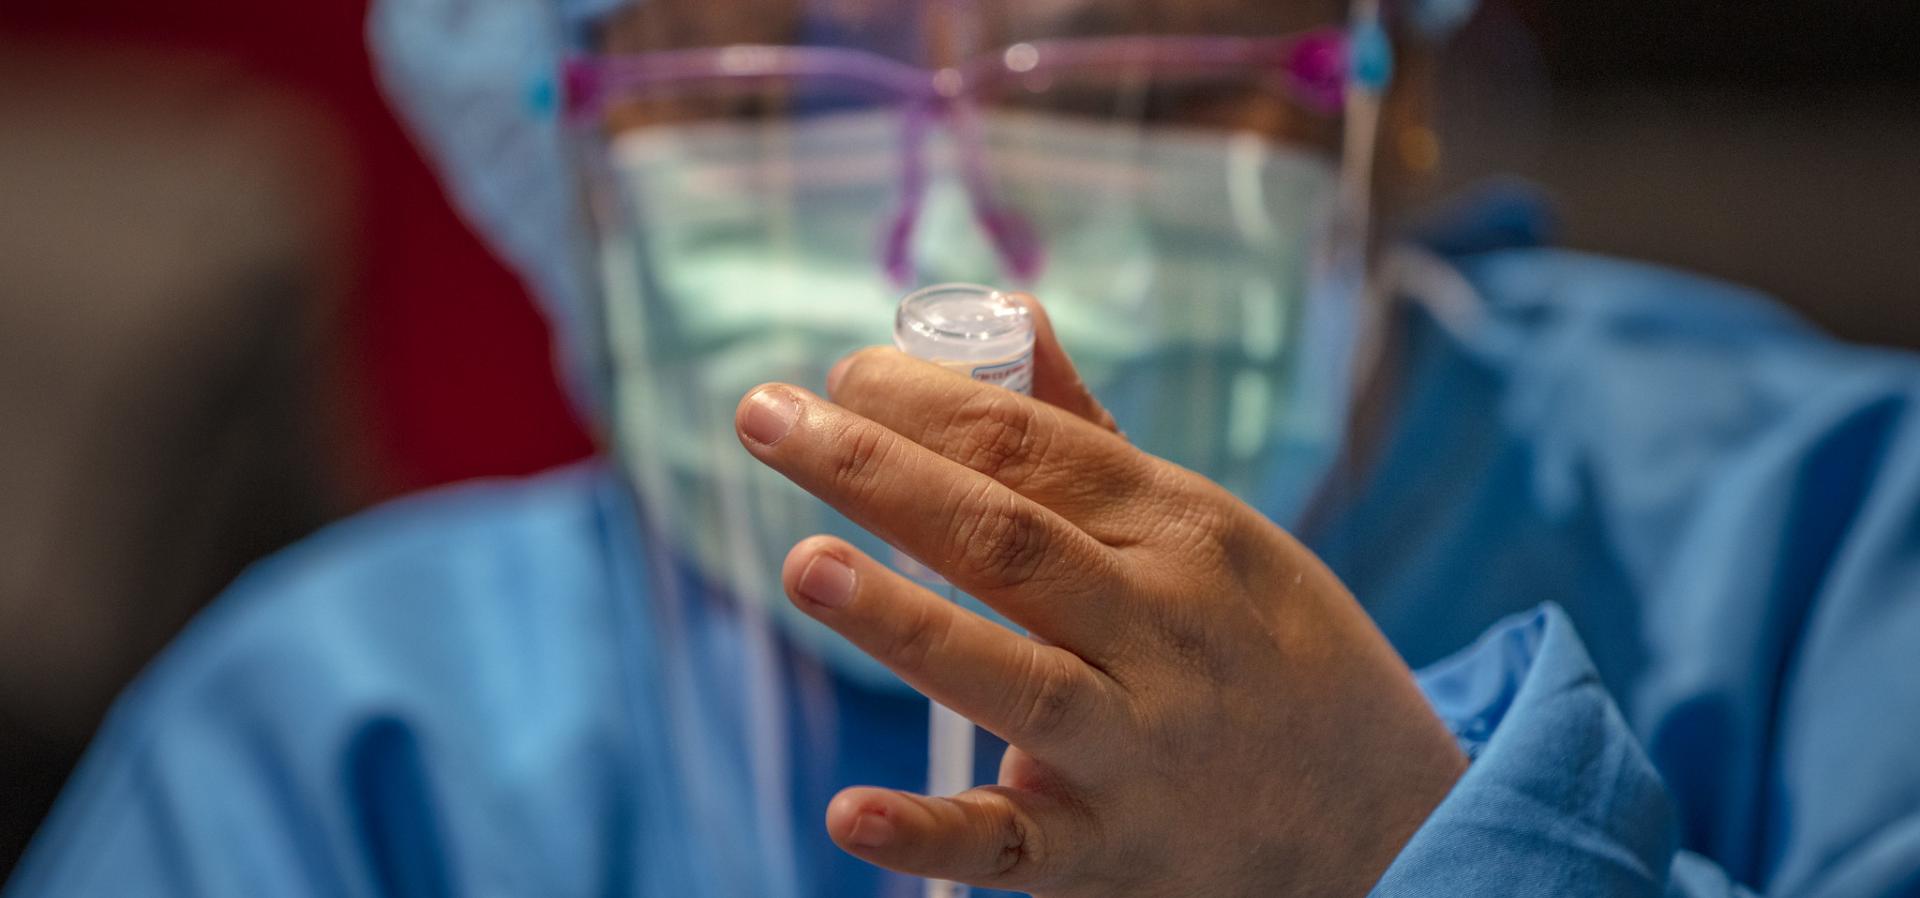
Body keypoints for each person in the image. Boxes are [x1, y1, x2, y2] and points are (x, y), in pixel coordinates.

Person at [9, 0, 1920, 895]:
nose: (961, 234)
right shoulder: (348, 756)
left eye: (1131, 71)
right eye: (773, 81)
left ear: (1384, 96)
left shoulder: (1834, 558)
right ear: (565, 138)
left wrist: (1420, 862)